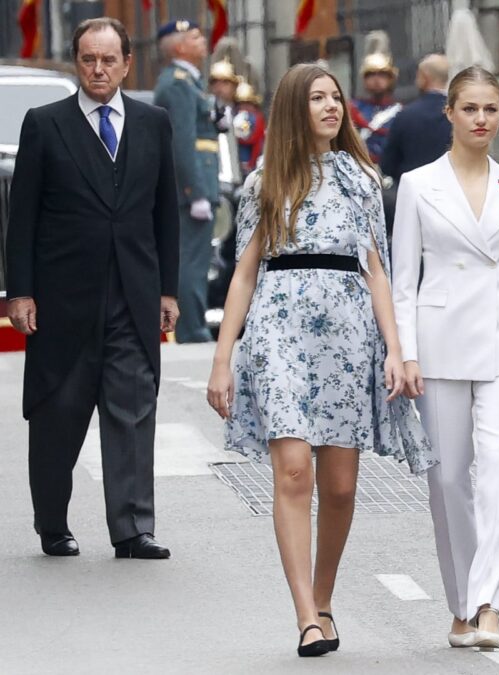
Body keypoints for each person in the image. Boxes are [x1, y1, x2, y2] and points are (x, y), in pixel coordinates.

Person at [205, 63, 434, 657]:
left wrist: (394, 350)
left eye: (336, 97)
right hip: (278, 333)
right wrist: (223, 358)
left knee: (338, 487)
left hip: (348, 336)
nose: (332, 107)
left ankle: (325, 597)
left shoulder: (363, 179)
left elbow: (378, 270)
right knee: (294, 473)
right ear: (292, 108)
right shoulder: (265, 182)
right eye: (317, 98)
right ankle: (306, 614)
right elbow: (244, 274)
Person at [391, 66, 499, 651]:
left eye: (491, 109)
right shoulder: (417, 185)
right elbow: (404, 279)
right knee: (449, 480)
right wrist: (405, 353)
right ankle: (461, 604)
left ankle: (489, 603)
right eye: (470, 109)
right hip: (438, 345)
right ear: (450, 114)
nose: (481, 119)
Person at [4, 17, 178, 559]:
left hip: (133, 292)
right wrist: (19, 291)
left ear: (128, 64)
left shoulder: (153, 123)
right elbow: (22, 217)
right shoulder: (44, 124)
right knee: (59, 411)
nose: (98, 70)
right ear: (77, 62)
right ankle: (52, 521)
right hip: (62, 298)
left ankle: (132, 529)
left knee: (131, 410)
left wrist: (168, 290)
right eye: (88, 59)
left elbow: (164, 212)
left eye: (108, 60)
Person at [154, 19, 219, 343]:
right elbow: (182, 142)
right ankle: (192, 329)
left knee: (197, 259)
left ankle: (194, 325)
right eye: (195, 36)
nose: (203, 41)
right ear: (179, 46)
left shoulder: (190, 82)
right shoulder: (177, 83)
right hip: (192, 188)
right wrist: (195, 192)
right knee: (192, 262)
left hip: (201, 183)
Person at [379, 54, 451, 185]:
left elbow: (387, 165)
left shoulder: (406, 115)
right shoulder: (458, 115)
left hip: (412, 192)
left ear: (424, 77)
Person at [350, 32, 402, 166]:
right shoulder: (353, 109)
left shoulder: (400, 112)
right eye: (371, 74)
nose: (376, 79)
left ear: (390, 79)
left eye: (382, 74)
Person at [232, 78, 266, 173]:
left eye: (248, 104)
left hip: (253, 161)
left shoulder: (256, 119)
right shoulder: (233, 116)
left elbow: (247, 136)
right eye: (241, 104)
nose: (244, 107)